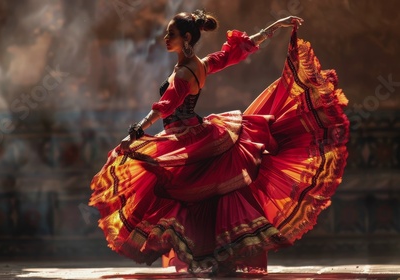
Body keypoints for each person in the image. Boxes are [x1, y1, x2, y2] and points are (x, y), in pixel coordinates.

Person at [90, 9, 349, 276]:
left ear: (187, 38)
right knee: (201, 195)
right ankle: (215, 259)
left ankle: (212, 258)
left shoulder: (184, 74)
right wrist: (275, 26)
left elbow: (165, 108)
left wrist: (135, 132)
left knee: (183, 190)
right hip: (191, 134)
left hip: (187, 138)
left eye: (172, 34)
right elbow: (234, 54)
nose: (166, 38)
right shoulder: (198, 65)